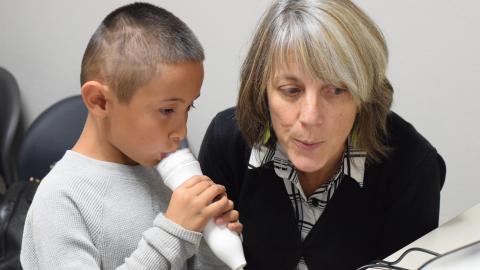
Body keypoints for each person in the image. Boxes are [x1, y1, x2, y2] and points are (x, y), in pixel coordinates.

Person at [199, 0, 446, 269]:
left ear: (365, 94)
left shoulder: (412, 166)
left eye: (336, 90)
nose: (311, 117)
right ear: (262, 91)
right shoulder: (227, 143)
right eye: (291, 90)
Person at [20, 3, 240, 269]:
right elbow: (170, 245)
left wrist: (211, 243)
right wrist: (174, 232)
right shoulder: (60, 200)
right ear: (100, 101)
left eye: (188, 107)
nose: (181, 131)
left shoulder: (160, 176)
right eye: (167, 110)